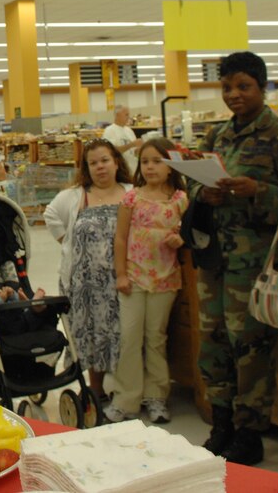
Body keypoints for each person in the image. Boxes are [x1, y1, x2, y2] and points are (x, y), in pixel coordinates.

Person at [186, 51, 278, 465]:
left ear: (262, 87)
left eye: (243, 87)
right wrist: (205, 191)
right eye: (227, 88)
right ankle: (221, 424)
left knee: (249, 347)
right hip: (214, 259)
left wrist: (259, 192)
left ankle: (250, 432)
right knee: (213, 343)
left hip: (254, 264)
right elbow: (192, 181)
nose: (234, 95)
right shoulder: (216, 137)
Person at [43, 138, 133, 401]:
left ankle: (126, 386)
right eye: (93, 163)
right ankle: (95, 387)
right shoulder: (75, 196)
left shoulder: (131, 192)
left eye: (105, 160)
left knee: (121, 331)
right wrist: (67, 241)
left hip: (122, 277)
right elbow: (51, 215)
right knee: (91, 333)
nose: (100, 167)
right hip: (84, 284)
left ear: (116, 162)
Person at [106, 138, 188, 425]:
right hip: (134, 277)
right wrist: (121, 274)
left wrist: (180, 239)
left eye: (157, 161)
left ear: (171, 165)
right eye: (145, 161)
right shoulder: (131, 198)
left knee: (156, 338)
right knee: (129, 337)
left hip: (166, 278)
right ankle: (126, 398)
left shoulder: (180, 199)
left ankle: (157, 396)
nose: (151, 167)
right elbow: (120, 238)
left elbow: (187, 233)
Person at [103, 104, 142, 175]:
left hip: (133, 170)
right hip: (120, 171)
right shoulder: (110, 130)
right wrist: (132, 144)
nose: (128, 117)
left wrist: (141, 149)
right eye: (126, 115)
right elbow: (112, 151)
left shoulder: (129, 130)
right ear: (117, 115)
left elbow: (134, 152)